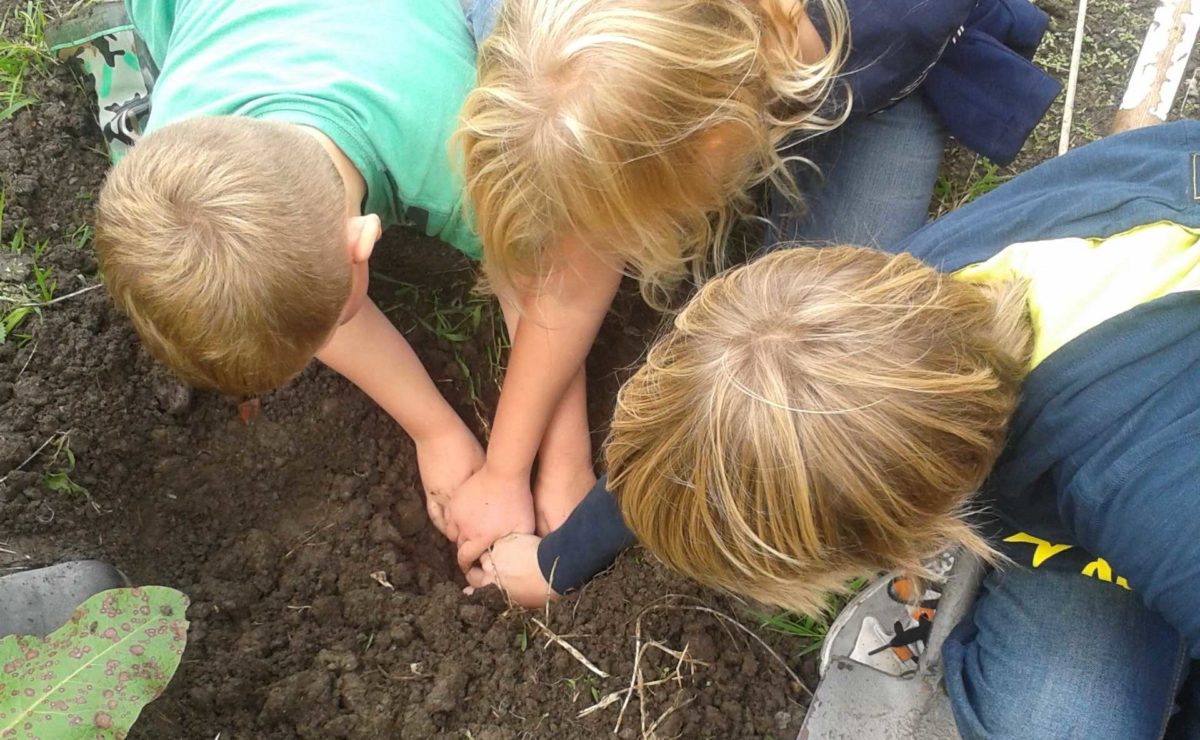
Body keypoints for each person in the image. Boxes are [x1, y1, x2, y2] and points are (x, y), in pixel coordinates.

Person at [477, 121, 1200, 738]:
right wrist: (558, 559)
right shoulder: (908, 301)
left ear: (907, 533)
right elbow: (696, 437)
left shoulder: (1162, 504)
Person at [449, 0, 1058, 573]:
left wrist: (576, 547)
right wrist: (520, 468)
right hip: (756, 69)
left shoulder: (897, 22)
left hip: (875, 88)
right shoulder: (636, 57)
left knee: (831, 342)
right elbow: (572, 275)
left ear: (720, 145)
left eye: (636, 223)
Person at [88, 0, 487, 532]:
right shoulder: (169, 155)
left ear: (362, 242)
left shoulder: (464, 163)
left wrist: (536, 469)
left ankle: (112, 52)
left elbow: (553, 284)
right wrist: (436, 430)